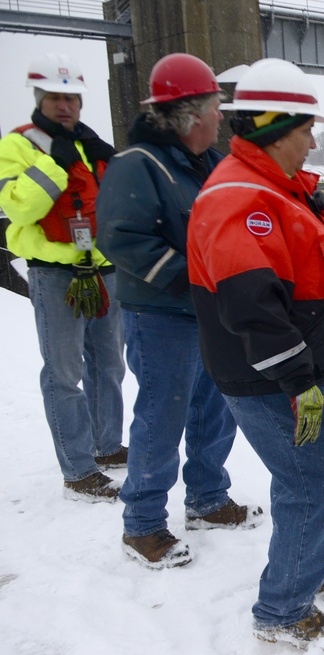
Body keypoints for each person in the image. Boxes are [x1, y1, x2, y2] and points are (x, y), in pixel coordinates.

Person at [186, 58, 324, 650]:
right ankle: (283, 608)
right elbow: (251, 305)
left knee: (308, 482)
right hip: (279, 382)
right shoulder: (242, 200)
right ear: (276, 127)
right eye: (307, 127)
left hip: (289, 374)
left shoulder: (277, 190)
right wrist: (301, 381)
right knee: (311, 484)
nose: (313, 139)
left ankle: (301, 568)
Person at [96, 53, 262, 569]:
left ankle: (207, 499)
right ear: (191, 114)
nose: (221, 119)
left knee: (215, 411)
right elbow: (122, 240)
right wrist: (194, 277)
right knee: (161, 418)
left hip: (211, 316)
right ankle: (143, 523)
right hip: (161, 317)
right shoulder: (137, 166)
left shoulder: (212, 165)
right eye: (216, 109)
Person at [0, 53, 126, 502]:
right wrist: (53, 164)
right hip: (56, 273)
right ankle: (78, 469)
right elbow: (19, 209)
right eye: (55, 96)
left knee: (110, 364)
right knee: (64, 372)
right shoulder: (18, 146)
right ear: (39, 98)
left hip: (103, 269)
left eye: (71, 97)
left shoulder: (93, 145)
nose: (65, 105)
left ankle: (107, 445)